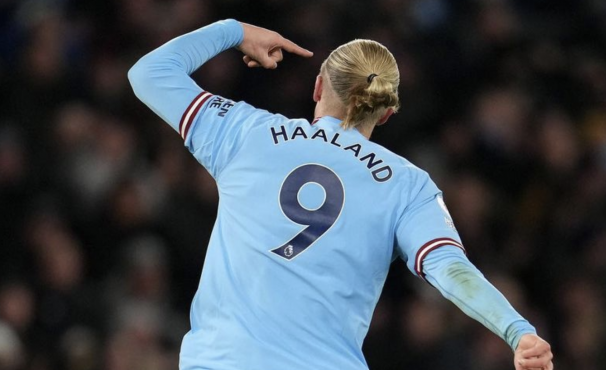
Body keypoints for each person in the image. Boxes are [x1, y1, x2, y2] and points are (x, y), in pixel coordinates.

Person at [128, 18, 554, 370]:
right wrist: (518, 332)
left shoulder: (246, 132)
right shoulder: (407, 185)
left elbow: (148, 74)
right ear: (386, 114)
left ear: (317, 88)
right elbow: (451, 271)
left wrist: (233, 31)